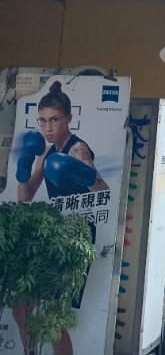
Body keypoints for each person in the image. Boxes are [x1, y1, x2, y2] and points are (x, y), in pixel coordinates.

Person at [13, 81, 108, 355]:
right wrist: (23, 166)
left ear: (69, 118)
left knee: (53, 315)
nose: (48, 127)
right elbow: (25, 196)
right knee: (21, 307)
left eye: (54, 119)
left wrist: (82, 173)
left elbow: (103, 192)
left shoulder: (78, 150)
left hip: (75, 237)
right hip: (53, 233)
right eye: (43, 120)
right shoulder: (47, 152)